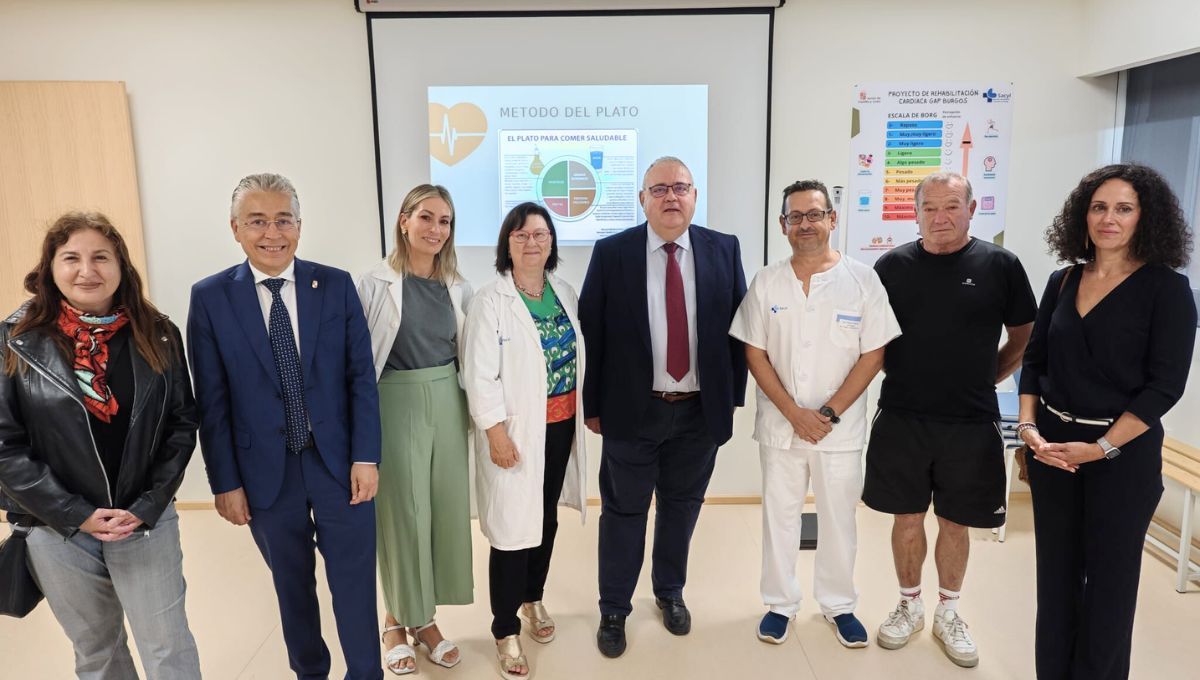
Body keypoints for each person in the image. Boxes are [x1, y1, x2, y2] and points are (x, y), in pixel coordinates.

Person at [188, 173, 383, 680]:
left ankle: (366, 673)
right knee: (292, 587)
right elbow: (212, 402)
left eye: (283, 220)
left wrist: (366, 456)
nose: (272, 233)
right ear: (235, 228)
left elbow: (360, 377)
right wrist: (225, 482)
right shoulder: (210, 298)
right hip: (264, 474)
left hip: (339, 464)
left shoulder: (335, 284)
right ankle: (310, 673)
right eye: (257, 221)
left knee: (355, 583)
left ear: (300, 225)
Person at [0, 212, 202, 679]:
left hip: (142, 520)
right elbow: (5, 446)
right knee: (98, 651)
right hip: (57, 529)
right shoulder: (15, 341)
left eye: (100, 257)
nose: (86, 270)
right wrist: (76, 513)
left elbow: (181, 423)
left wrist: (149, 504)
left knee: (168, 646)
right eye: (71, 257)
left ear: (121, 266)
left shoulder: (160, 333)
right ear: (51, 267)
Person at [1017, 163, 1196, 680]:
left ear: (1146, 217)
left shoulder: (1167, 289)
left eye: (1124, 208)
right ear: (1083, 214)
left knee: (1111, 587)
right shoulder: (1063, 279)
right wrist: (1030, 432)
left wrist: (1101, 448)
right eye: (1099, 207)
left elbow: (1164, 387)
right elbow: (1035, 362)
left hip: (1121, 456)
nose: (1109, 219)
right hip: (1053, 449)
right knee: (1056, 581)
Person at [862, 172, 1036, 668]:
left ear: (971, 208)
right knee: (907, 518)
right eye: (930, 208)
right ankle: (909, 604)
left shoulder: (1000, 265)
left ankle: (949, 612)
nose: (941, 217)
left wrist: (991, 375)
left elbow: (1024, 333)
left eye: (952, 207)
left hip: (970, 419)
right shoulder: (891, 266)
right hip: (902, 415)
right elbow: (872, 339)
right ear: (914, 212)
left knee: (956, 522)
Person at [579, 156, 748, 658]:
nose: (671, 197)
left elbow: (738, 330)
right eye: (659, 189)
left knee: (682, 509)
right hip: (634, 411)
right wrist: (593, 406)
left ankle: (669, 592)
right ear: (642, 200)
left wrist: (730, 399)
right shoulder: (613, 252)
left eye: (681, 187)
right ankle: (614, 608)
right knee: (624, 512)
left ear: (695, 195)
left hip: (699, 412)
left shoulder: (724, 248)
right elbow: (594, 332)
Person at [730, 180, 900, 648]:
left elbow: (874, 353)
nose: (805, 224)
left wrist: (825, 413)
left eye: (814, 214)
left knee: (838, 518)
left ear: (833, 219)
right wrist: (794, 414)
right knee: (779, 516)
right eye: (795, 217)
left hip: (837, 431)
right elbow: (754, 352)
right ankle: (780, 604)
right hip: (781, 428)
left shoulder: (863, 280)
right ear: (783, 225)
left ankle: (839, 603)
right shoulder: (768, 280)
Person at [463, 202, 589, 679]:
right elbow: (478, 375)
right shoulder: (490, 301)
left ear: (552, 242)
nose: (531, 242)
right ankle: (504, 628)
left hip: (559, 428)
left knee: (546, 519)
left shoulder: (565, 294)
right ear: (506, 244)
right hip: (514, 434)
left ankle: (533, 597)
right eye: (520, 235)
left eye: (539, 234)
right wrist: (495, 432)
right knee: (512, 530)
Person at [356, 184, 472, 674]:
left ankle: (423, 619)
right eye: (426, 218)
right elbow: (358, 363)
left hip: (447, 397)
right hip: (395, 399)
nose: (435, 229)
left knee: (442, 511)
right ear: (404, 221)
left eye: (444, 221)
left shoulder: (459, 286)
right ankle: (396, 622)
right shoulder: (373, 283)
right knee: (404, 513)